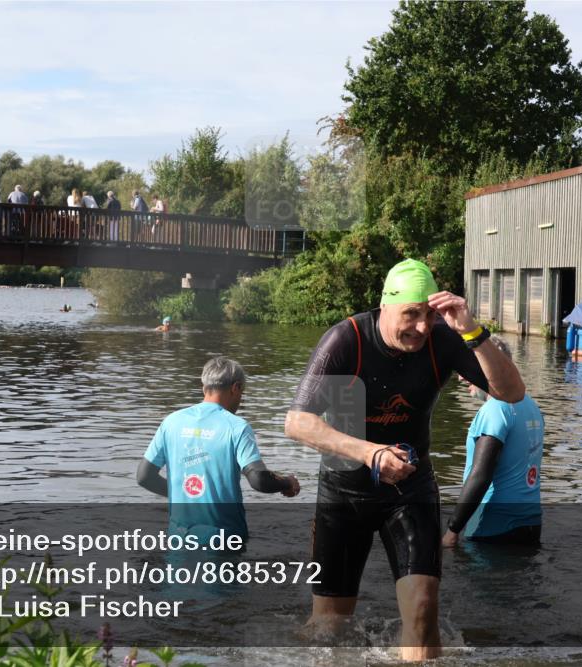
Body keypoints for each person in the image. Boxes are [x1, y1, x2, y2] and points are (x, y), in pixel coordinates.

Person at [284, 258, 525, 660]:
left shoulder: (445, 340)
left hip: (410, 489)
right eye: (410, 315)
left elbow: (513, 392)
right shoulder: (347, 340)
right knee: (329, 628)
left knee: (424, 611)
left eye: (429, 315)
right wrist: (370, 452)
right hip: (345, 492)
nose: (421, 327)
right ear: (384, 307)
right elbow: (297, 423)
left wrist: (472, 331)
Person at [138, 356, 300, 541]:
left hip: (179, 537)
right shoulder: (237, 427)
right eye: (242, 392)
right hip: (224, 539)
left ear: (204, 387)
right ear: (235, 387)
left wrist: (187, 494)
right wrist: (287, 482)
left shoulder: (172, 421)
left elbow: (144, 477)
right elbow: (258, 479)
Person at [443, 337, 543, 548]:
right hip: (531, 523)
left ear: (489, 368)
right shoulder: (530, 405)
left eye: (468, 368)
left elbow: (481, 475)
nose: (461, 377)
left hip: (492, 526)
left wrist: (452, 530)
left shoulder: (495, 409)